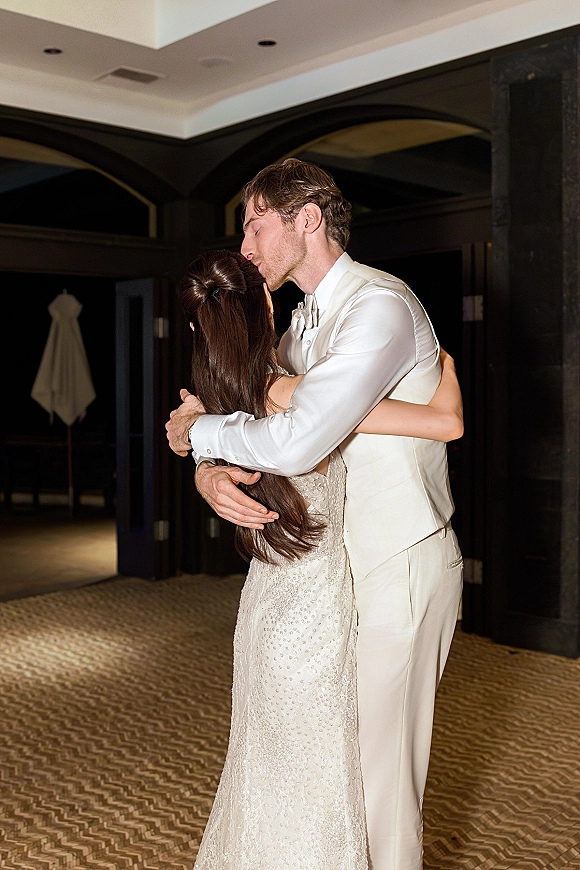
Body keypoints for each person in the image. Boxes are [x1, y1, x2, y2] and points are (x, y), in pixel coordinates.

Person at [166, 159, 464, 870]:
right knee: (339, 773)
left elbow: (299, 435)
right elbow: (261, 417)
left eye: (255, 225)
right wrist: (207, 469)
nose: (244, 247)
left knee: (384, 781)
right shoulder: (297, 328)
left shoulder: (379, 307)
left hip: (396, 558)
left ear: (308, 220)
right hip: (334, 571)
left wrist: (202, 437)